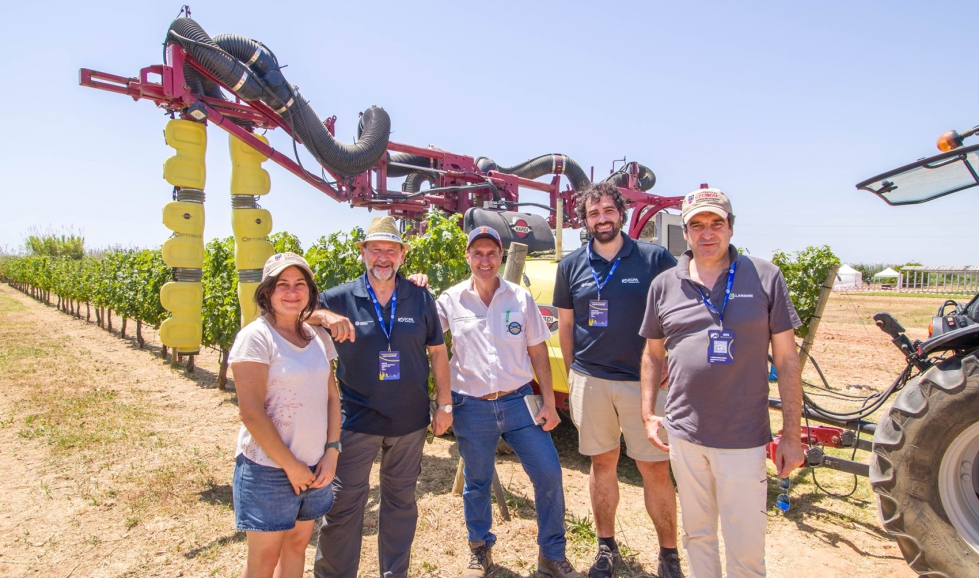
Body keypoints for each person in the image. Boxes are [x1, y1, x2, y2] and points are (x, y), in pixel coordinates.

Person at [639, 187, 805, 578]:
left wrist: (793, 435)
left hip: (743, 437)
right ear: (685, 232)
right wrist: (648, 413)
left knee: (745, 545)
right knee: (697, 535)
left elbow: (787, 358)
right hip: (685, 435)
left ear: (731, 227)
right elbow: (651, 354)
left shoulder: (764, 276)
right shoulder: (665, 284)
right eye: (696, 225)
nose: (707, 233)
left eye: (716, 223)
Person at [436, 226, 584, 578]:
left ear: (501, 257)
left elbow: (537, 350)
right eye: (478, 253)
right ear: (468, 257)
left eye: (491, 253)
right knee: (478, 480)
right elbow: (426, 338)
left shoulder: (520, 298)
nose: (484, 260)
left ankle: (551, 554)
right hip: (470, 406)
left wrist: (548, 402)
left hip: (519, 403)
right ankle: (479, 549)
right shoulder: (450, 300)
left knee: (548, 472)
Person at [552, 182, 682, 578]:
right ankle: (606, 548)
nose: (602, 218)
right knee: (601, 463)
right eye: (593, 213)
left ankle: (669, 555)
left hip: (644, 385)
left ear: (621, 213)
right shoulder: (571, 265)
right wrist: (576, 371)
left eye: (608, 210)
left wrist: (671, 363)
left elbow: (679, 313)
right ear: (585, 220)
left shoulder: (654, 257)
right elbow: (567, 324)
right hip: (591, 380)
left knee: (655, 468)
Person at [311, 216, 453, 578]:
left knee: (401, 504)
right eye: (376, 250)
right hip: (357, 420)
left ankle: (394, 574)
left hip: (410, 421)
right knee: (343, 505)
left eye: (392, 250)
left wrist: (444, 403)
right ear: (363, 253)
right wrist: (323, 315)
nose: (383, 257)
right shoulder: (340, 297)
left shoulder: (420, 296)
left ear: (403, 255)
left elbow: (438, 352)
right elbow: (297, 313)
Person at [229, 252, 342, 578]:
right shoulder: (256, 337)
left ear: (309, 291)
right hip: (269, 469)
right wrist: (291, 467)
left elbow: (332, 396)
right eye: (283, 285)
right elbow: (251, 413)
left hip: (315, 466)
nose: (292, 291)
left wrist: (332, 450)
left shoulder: (317, 336)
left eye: (299, 284)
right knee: (264, 560)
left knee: (296, 545)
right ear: (267, 293)